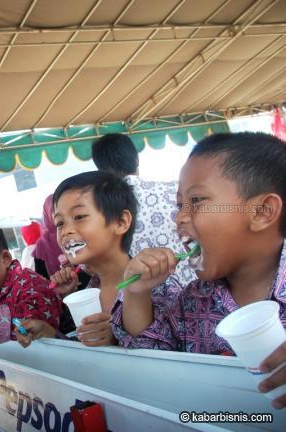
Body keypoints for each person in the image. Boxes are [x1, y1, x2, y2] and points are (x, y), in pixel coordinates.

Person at [110, 132, 286, 409]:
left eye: (197, 201)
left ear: (263, 211)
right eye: (180, 204)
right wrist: (137, 291)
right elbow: (148, 349)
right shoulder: (193, 301)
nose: (179, 218)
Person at [16, 171, 137, 348]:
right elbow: (85, 351)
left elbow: (174, 352)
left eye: (79, 217)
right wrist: (47, 331)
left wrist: (118, 338)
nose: (65, 231)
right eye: (59, 223)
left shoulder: (150, 284)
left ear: (120, 222)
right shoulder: (90, 289)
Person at [91, 133, 195, 286]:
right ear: (136, 159)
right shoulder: (177, 191)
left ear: (100, 170)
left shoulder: (101, 213)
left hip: (150, 300)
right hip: (201, 286)